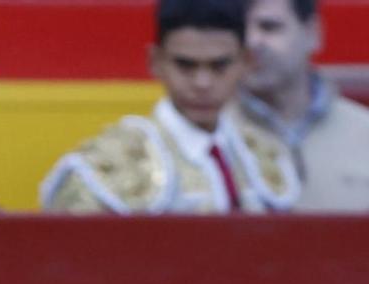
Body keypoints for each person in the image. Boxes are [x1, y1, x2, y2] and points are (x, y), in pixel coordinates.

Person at [41, 0, 297, 213]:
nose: (202, 83)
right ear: (155, 62)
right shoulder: (104, 168)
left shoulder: (265, 158)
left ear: (245, 62)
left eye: (219, 66)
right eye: (185, 65)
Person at [241, 0, 369, 210]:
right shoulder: (207, 133)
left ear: (312, 33)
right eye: (240, 29)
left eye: (269, 27)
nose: (251, 41)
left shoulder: (365, 134)